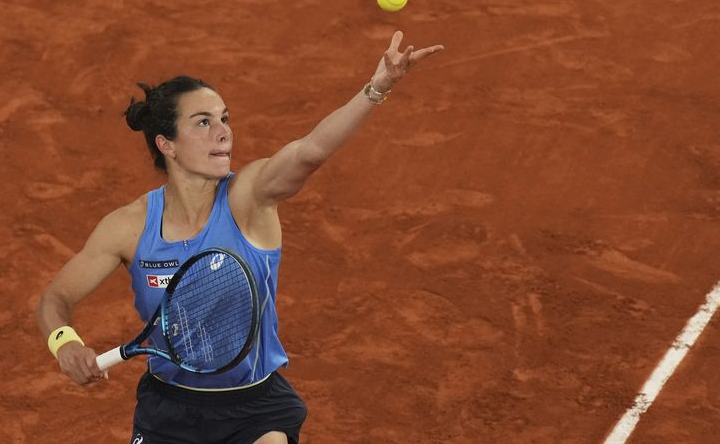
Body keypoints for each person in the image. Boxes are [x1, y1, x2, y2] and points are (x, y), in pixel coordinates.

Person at [36, 30, 444, 444]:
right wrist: (64, 343)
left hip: (255, 408)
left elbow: (310, 152)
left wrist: (377, 88)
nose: (224, 132)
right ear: (167, 145)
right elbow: (56, 299)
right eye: (203, 122)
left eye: (224, 119)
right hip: (168, 411)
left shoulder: (250, 198)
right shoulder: (128, 226)